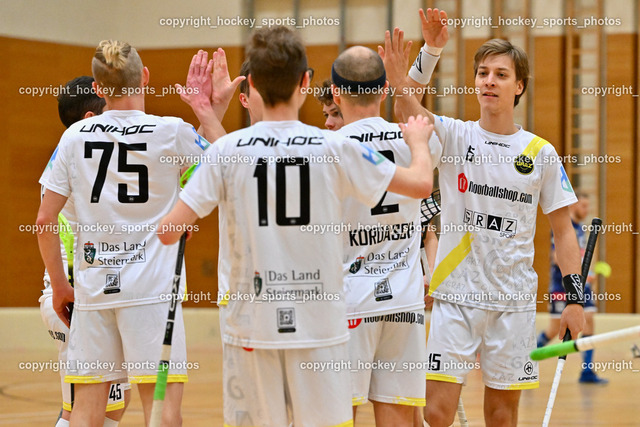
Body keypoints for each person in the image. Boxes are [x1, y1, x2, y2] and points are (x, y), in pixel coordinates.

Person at [158, 25, 434, 427]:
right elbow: (421, 184)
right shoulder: (337, 146)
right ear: (305, 83)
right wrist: (420, 145)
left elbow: (168, 231)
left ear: (251, 85)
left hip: (252, 324)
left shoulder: (226, 152)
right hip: (320, 323)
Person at [382, 9, 585, 426]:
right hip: (456, 297)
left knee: (501, 417)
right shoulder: (456, 135)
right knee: (436, 413)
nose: (489, 81)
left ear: (519, 86)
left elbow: (564, 232)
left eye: (500, 74)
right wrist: (426, 56)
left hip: (514, 304)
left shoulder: (540, 153)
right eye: (482, 73)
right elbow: (407, 113)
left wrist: (574, 299)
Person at [36, 40, 213, 425]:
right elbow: (225, 170)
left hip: (94, 292)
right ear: (144, 77)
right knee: (162, 412)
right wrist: (209, 110)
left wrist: (60, 287)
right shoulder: (171, 131)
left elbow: (44, 222)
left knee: (86, 413)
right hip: (152, 294)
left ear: (99, 88)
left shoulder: (74, 137)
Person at [331, 46, 439, 426]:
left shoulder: (329, 149)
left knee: (337, 416)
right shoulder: (417, 142)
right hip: (404, 303)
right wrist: (415, 70)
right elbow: (418, 122)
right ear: (382, 90)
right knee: (399, 418)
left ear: (335, 93)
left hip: (349, 302)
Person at [39, 75, 131, 427]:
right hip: (77, 300)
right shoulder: (87, 163)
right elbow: (44, 223)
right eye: (111, 107)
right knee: (87, 412)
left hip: (74, 296)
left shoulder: (70, 157)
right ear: (91, 119)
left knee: (105, 409)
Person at [538, 192, 608, 384]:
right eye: (583, 205)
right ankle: (527, 359)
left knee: (589, 320)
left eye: (588, 206)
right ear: (573, 204)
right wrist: (576, 274)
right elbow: (557, 258)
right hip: (562, 286)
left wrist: (588, 275)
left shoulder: (580, 229)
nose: (586, 210)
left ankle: (587, 371)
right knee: (554, 329)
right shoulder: (564, 226)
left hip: (582, 285)